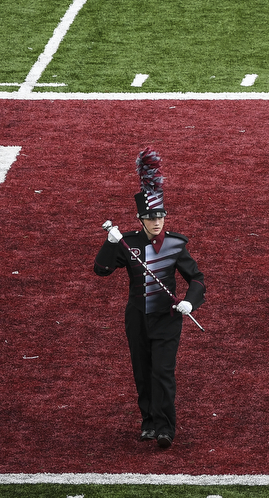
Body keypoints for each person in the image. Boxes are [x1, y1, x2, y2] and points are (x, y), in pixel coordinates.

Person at [94, 149, 206, 449]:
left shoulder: (174, 244)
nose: (156, 223)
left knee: (163, 373)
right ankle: (148, 423)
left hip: (167, 318)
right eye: (150, 218)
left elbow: (196, 278)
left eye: (160, 216)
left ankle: (166, 427)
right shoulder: (127, 243)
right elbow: (101, 270)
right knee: (142, 372)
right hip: (137, 317)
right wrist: (109, 242)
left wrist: (190, 302)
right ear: (140, 219)